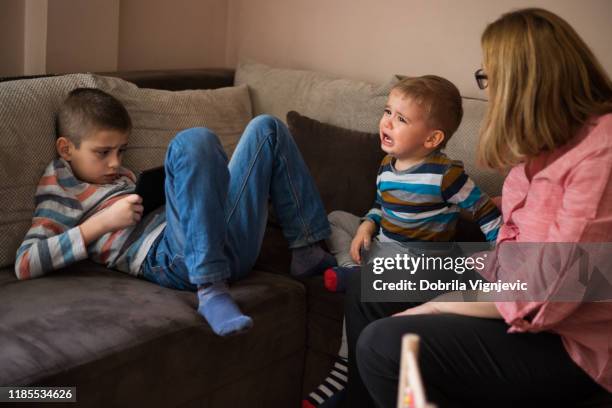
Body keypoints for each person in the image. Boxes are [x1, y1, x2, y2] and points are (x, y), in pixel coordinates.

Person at [352, 8, 612, 408]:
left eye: (488, 76)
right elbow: (528, 214)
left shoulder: (602, 152)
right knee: (370, 281)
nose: (487, 88)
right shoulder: (549, 141)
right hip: (507, 271)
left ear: (522, 81)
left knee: (386, 344)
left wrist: (437, 306)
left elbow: (548, 289)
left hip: (568, 337)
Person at [15, 88, 335, 337]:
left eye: (121, 150)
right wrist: (100, 224)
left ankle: (307, 249)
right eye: (103, 152)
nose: (116, 163)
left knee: (268, 128)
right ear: (66, 149)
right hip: (172, 259)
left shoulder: (116, 175)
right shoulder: (61, 190)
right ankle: (210, 290)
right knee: (193, 141)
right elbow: (25, 263)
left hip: (218, 241)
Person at [303, 76, 502, 407]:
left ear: (432, 138)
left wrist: (500, 251)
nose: (387, 122)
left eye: (401, 118)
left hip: (420, 260)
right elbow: (382, 205)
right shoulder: (386, 166)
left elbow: (485, 212)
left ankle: (353, 278)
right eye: (387, 112)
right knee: (337, 218)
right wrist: (368, 224)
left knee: (363, 287)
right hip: (384, 245)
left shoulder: (446, 174)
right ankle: (353, 266)